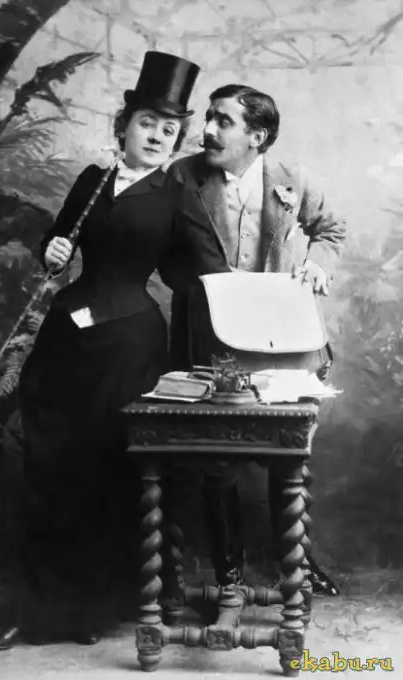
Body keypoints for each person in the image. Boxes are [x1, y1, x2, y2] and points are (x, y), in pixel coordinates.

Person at [0, 51, 200, 651]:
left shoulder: (177, 196)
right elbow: (59, 241)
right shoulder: (92, 180)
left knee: (104, 470)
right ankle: (32, 609)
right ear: (124, 125)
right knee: (48, 467)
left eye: (169, 129)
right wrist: (53, 249)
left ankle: (89, 609)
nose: (158, 135)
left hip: (129, 345)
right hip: (66, 339)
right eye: (148, 123)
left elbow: (196, 275)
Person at [162, 83, 345, 595]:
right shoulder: (183, 175)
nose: (207, 130)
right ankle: (229, 573)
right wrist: (207, 289)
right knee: (216, 458)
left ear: (257, 136)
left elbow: (331, 230)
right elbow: (162, 249)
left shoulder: (292, 178)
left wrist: (318, 264)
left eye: (223, 121)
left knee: (289, 452)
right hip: (211, 341)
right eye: (209, 118)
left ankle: (296, 564)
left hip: (282, 340)